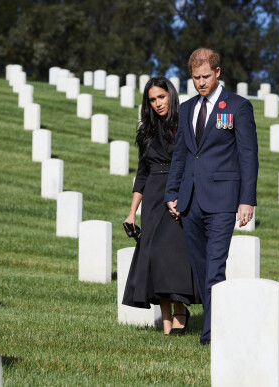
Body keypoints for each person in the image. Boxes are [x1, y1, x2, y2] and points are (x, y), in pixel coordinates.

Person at [164, 48, 258, 345]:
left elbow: (248, 155)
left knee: (215, 267)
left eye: (206, 76)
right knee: (201, 268)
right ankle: (219, 322)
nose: (201, 83)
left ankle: (211, 335)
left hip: (222, 201)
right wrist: (172, 192)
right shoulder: (189, 108)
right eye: (195, 78)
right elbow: (180, 154)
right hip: (190, 200)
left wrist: (247, 199)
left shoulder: (238, 107)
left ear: (218, 73)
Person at [122, 76, 199, 335]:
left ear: (171, 96)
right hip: (153, 197)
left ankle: (180, 310)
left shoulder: (184, 125)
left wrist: (182, 194)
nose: (157, 103)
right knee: (154, 257)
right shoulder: (146, 132)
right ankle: (167, 325)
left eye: (161, 97)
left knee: (171, 255)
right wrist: (132, 212)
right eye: (152, 99)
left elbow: (192, 163)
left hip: (176, 192)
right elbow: (142, 173)